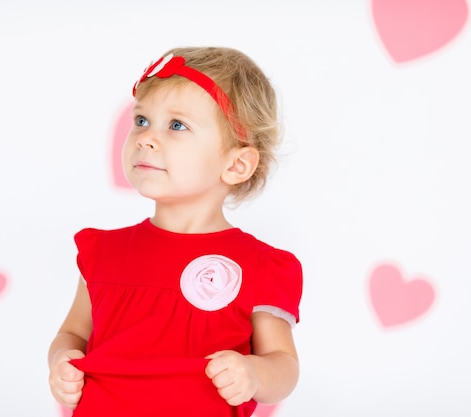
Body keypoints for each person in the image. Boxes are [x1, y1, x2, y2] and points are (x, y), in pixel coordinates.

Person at [47, 46, 303, 417]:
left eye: (177, 125)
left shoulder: (261, 266)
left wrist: (253, 372)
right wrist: (61, 359)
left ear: (236, 164)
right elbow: (73, 333)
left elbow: (284, 366)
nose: (145, 138)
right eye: (141, 121)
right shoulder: (103, 251)